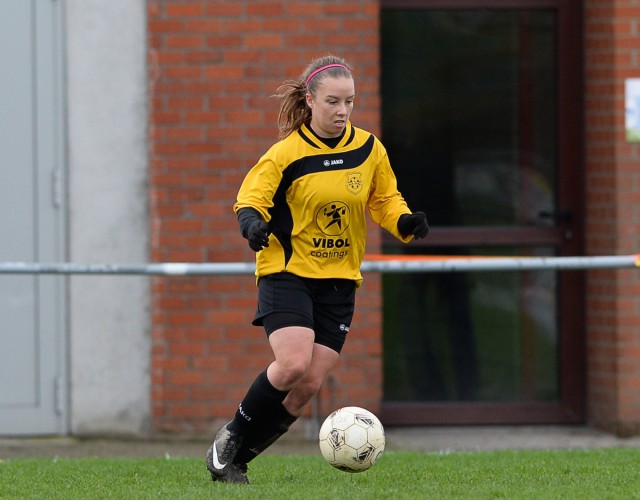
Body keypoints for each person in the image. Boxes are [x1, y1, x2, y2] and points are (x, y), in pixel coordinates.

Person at [205, 54, 429, 484]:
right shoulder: (286, 153)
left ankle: (238, 460)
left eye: (350, 101)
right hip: (287, 273)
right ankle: (232, 435)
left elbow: (383, 199)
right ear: (310, 100)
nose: (342, 111)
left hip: (340, 280)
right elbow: (250, 196)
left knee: (307, 384)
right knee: (291, 365)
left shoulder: (368, 148)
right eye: (332, 101)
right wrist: (251, 223)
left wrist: (403, 222)